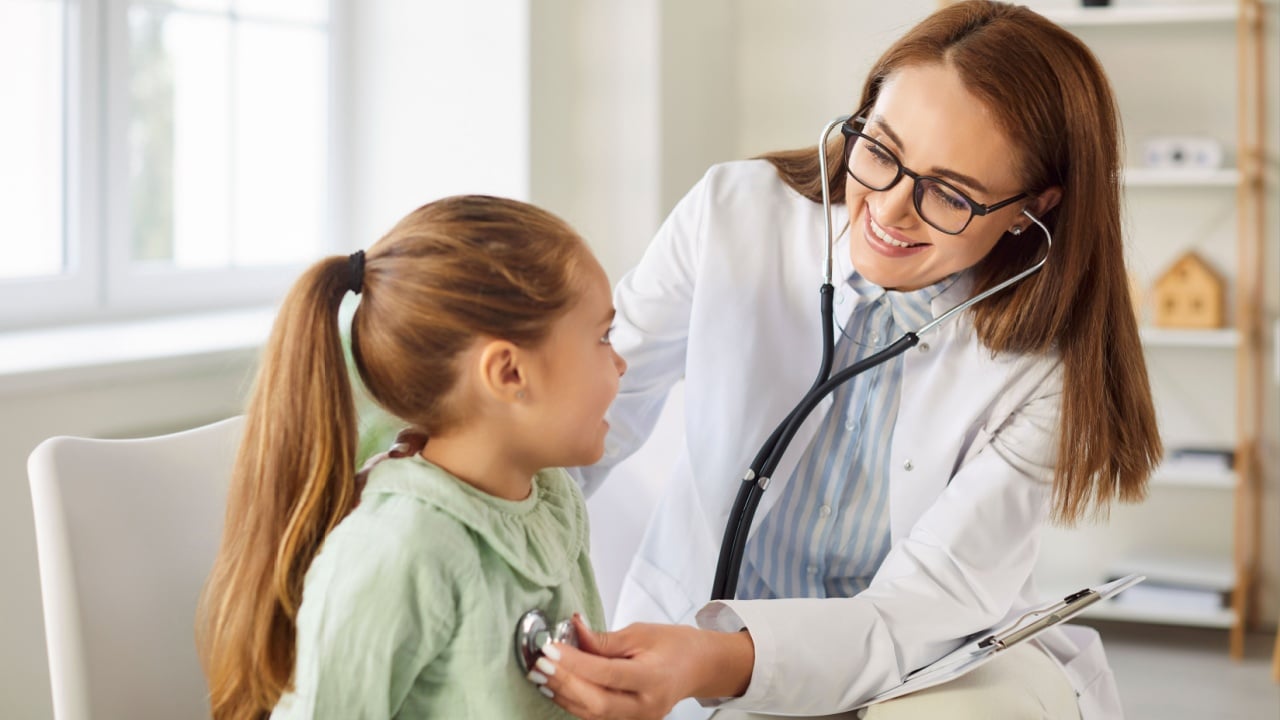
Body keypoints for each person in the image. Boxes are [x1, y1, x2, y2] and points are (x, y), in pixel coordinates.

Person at [531, 2, 1161, 719]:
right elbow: (585, 420)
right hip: (696, 647)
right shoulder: (732, 218)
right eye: (882, 152)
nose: (890, 211)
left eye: (951, 194)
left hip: (923, 667)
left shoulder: (1045, 368)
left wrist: (721, 660)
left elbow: (918, 609)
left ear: (1029, 209)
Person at [195, 195, 627, 719]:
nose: (622, 363)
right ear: (509, 373)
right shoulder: (399, 550)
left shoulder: (553, 501)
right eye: (604, 337)